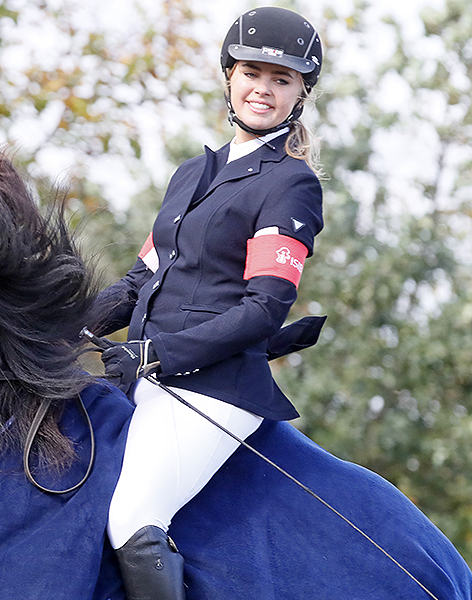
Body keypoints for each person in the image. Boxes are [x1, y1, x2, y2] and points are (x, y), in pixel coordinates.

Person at [88, 7, 326, 600]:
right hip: (148, 373)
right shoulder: (192, 173)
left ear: (301, 92)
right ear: (229, 77)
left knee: (131, 517)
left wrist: (152, 354)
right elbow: (138, 279)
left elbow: (263, 310)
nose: (262, 90)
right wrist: (44, 328)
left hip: (213, 388)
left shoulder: (290, 183)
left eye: (281, 80)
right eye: (252, 73)